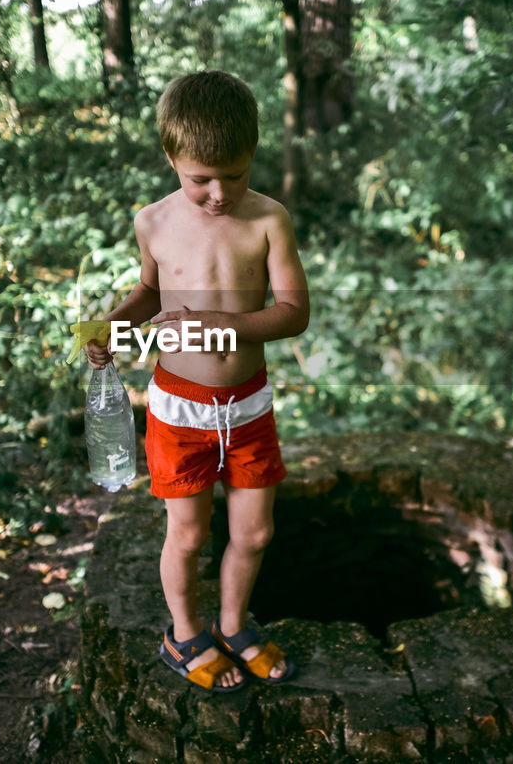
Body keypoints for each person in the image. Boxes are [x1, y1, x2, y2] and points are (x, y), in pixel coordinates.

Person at [83, 70, 309, 692]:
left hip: (247, 406)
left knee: (256, 530)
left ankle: (234, 625)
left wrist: (225, 325)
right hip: (178, 407)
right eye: (199, 178)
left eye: (232, 175)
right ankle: (183, 635)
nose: (216, 193)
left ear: (253, 155)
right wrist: (111, 328)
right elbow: (150, 291)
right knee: (187, 532)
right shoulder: (152, 222)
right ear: (170, 159)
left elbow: (294, 311)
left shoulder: (268, 219)